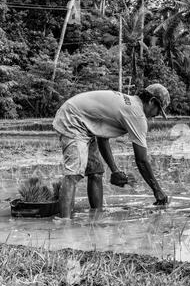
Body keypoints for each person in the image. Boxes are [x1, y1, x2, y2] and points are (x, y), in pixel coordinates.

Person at [52, 83, 170, 219]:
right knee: (74, 173)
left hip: (84, 124)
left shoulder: (129, 104)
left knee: (96, 172)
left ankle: (96, 218)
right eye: (158, 110)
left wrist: (115, 170)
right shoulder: (137, 114)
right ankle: (64, 224)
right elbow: (142, 160)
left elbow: (102, 138)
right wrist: (157, 191)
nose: (156, 115)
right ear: (151, 101)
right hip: (73, 119)